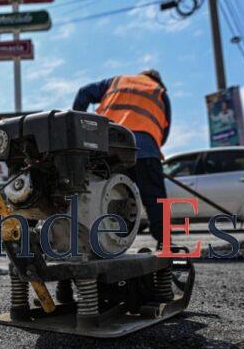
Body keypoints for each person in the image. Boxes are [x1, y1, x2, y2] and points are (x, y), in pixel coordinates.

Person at [73, 69, 171, 247]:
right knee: (156, 199)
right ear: (158, 80)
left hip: (110, 146)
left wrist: (80, 128)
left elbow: (83, 93)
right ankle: (164, 242)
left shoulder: (117, 81)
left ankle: (99, 242)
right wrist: (154, 148)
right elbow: (163, 131)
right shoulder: (160, 92)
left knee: (105, 194)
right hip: (146, 150)